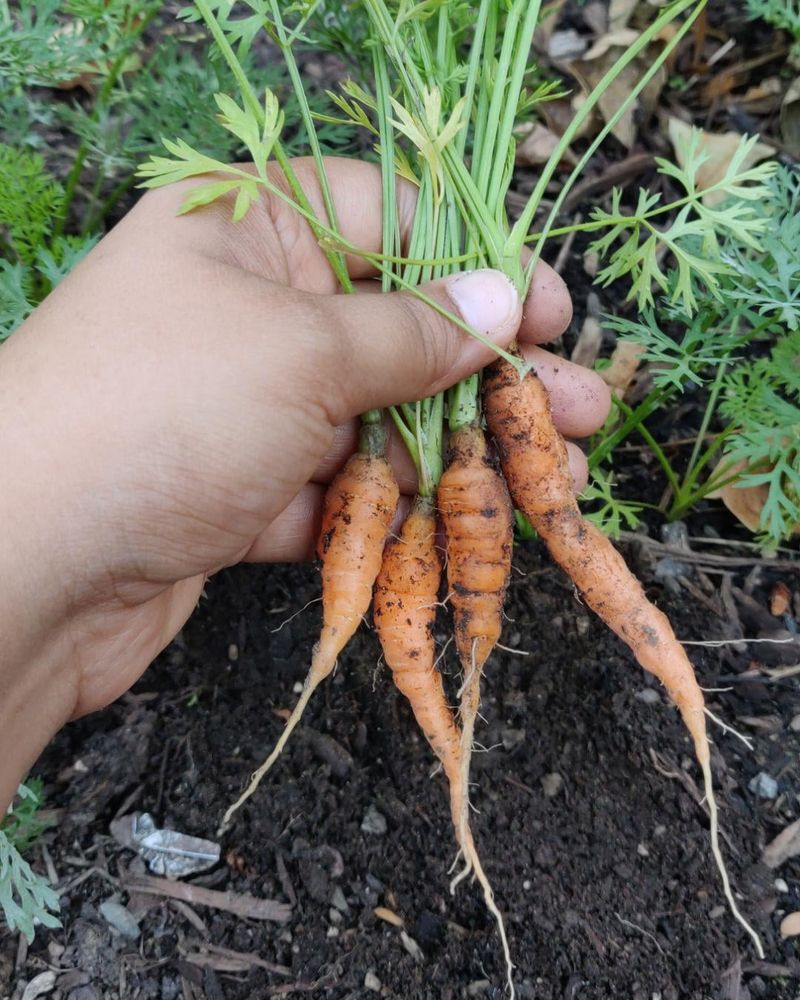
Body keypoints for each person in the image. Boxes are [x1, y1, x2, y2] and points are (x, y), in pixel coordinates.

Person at [0, 158, 610, 816]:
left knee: (556, 524)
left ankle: (457, 768)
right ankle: (454, 772)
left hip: (436, 466)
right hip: (397, 463)